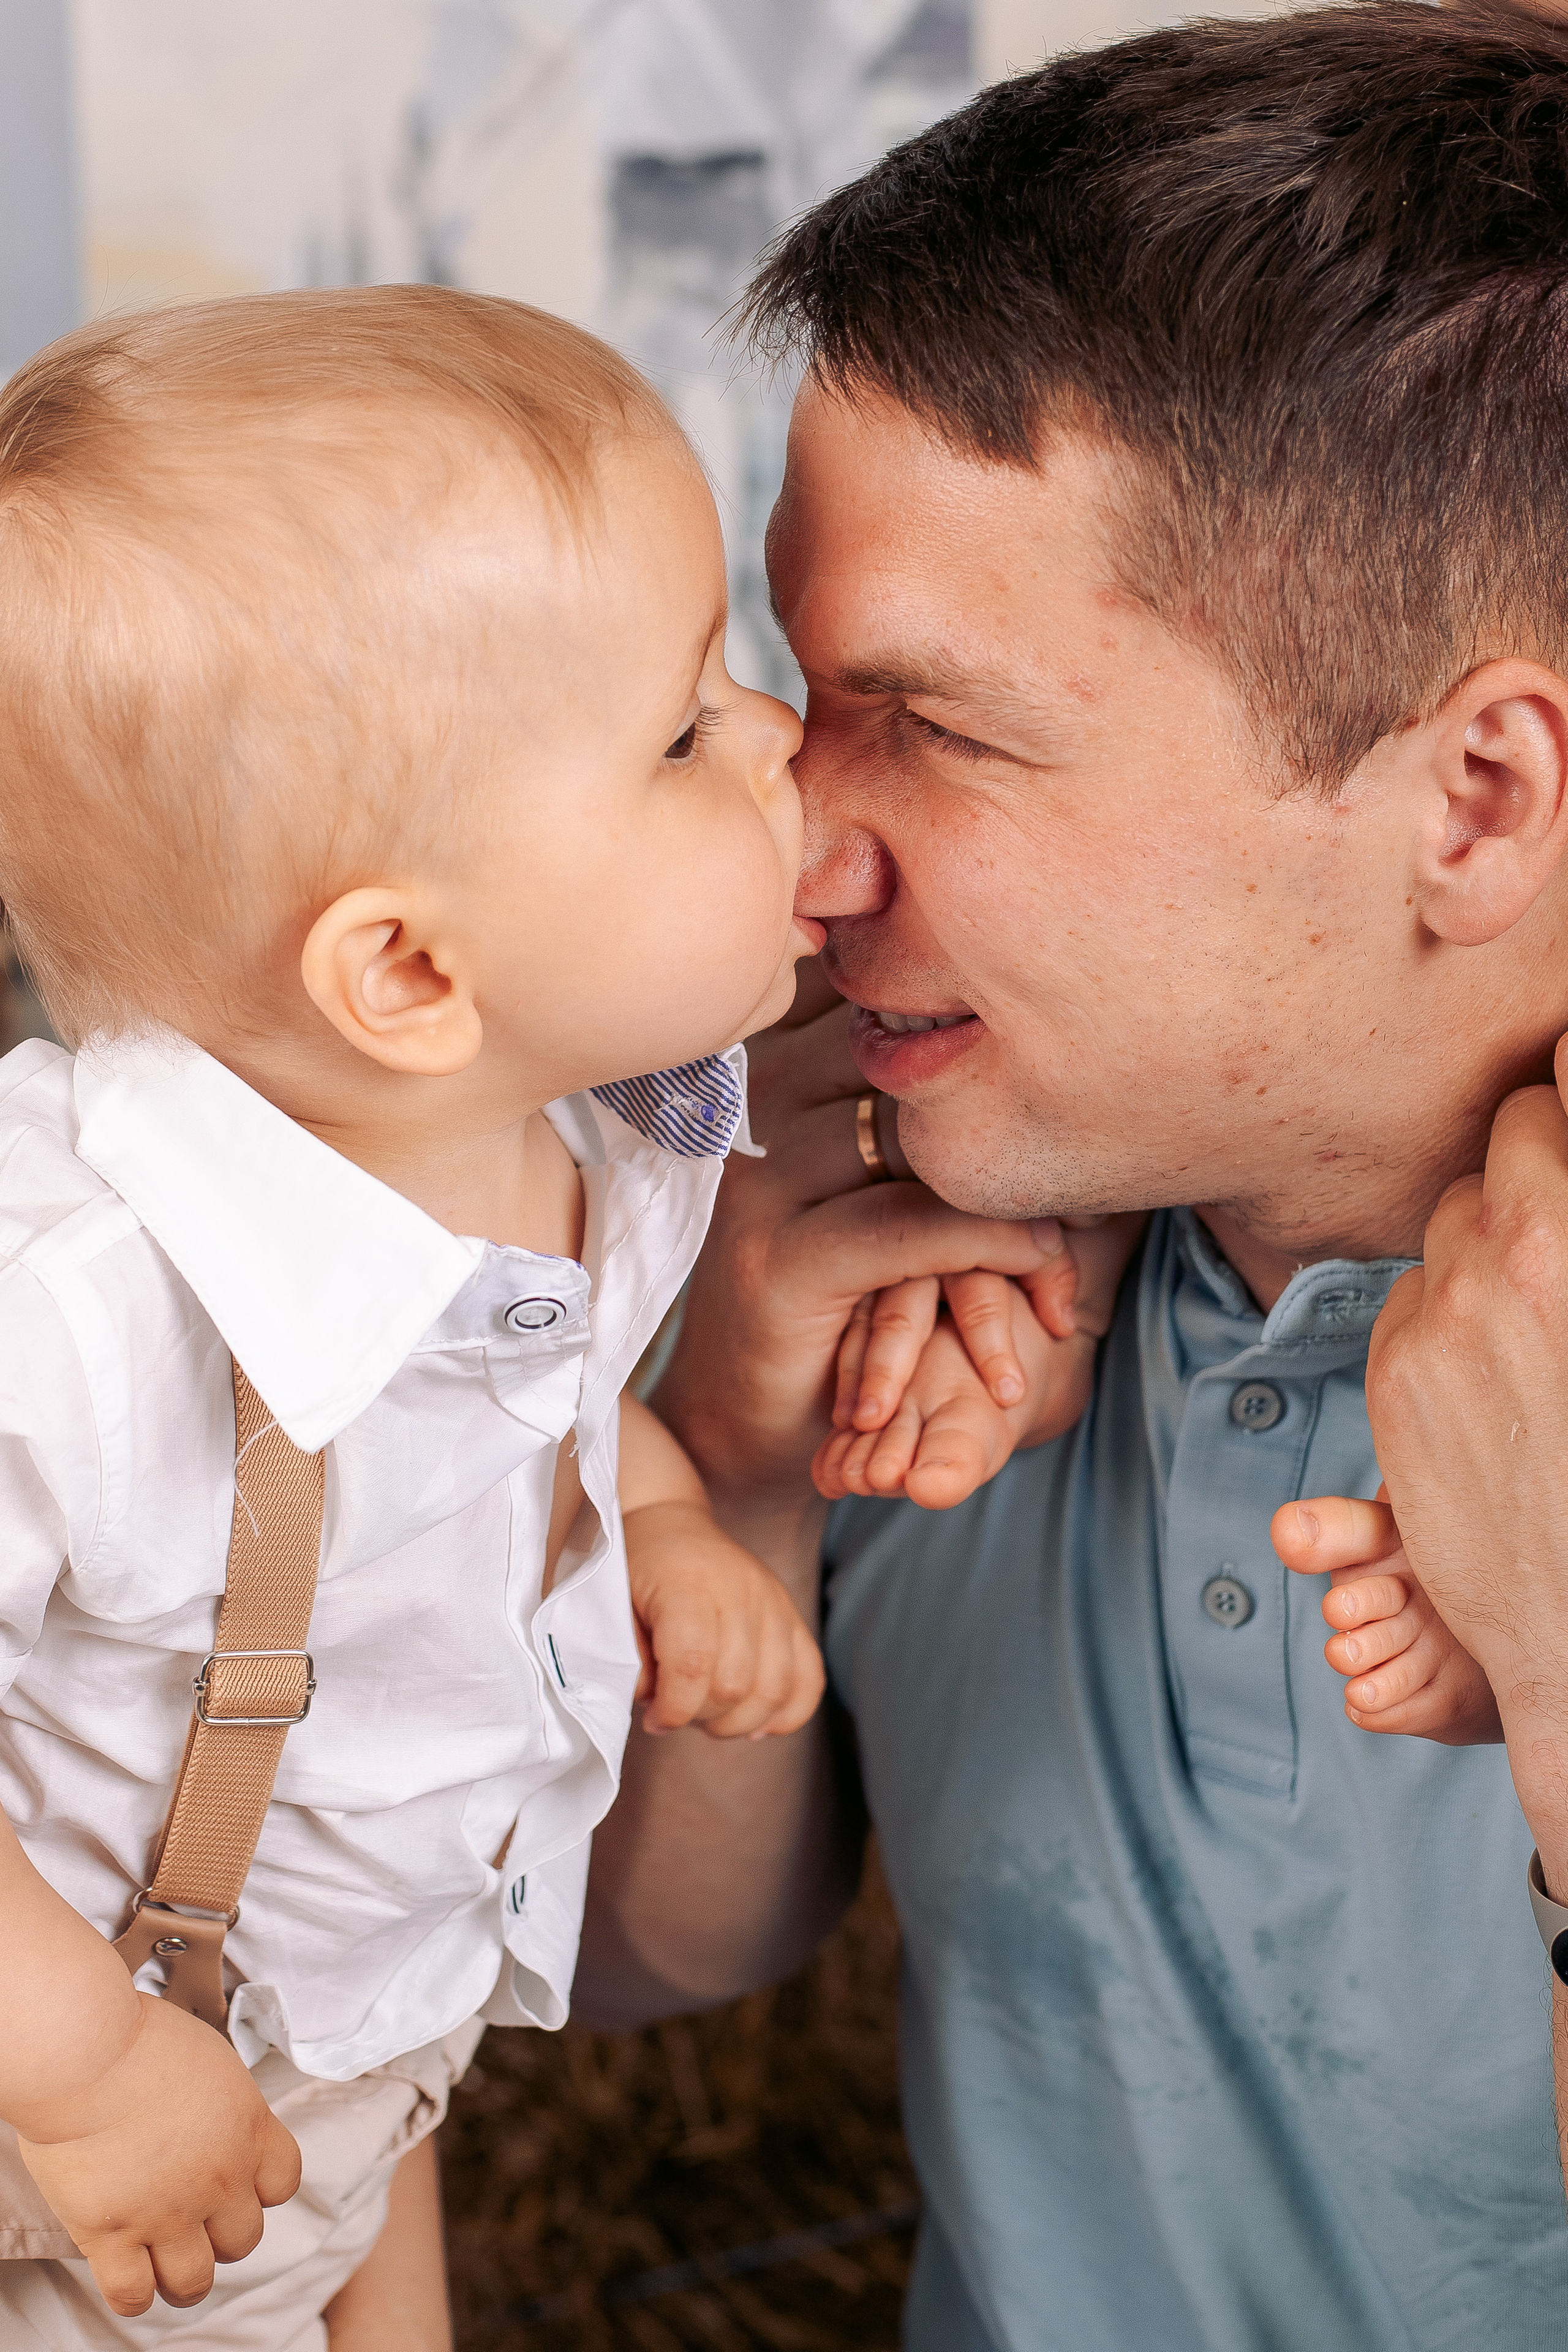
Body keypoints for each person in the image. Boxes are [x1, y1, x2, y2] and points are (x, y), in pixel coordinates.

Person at [576, 8, 1568, 2346]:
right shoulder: (936, 1174)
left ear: (1479, 801)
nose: (800, 850)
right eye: (805, 696)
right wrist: (722, 1471)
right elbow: (637, 1973)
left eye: (937, 724)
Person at [0, 283, 995, 2350]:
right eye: (683, 728)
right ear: (408, 975)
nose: (784, 746)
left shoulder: (575, 1133)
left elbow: (493, 1405)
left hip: (353, 2036)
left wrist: (654, 1521)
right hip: (90, 2154)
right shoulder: (74, 1311)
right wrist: (80, 2070)